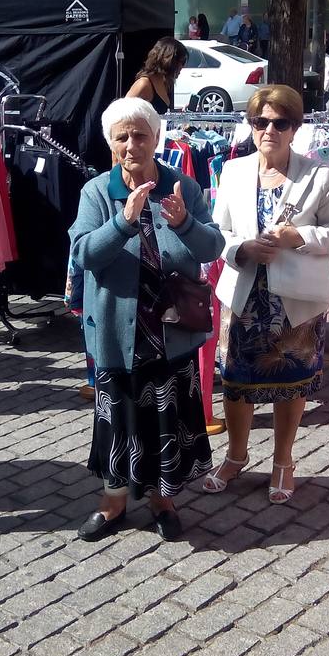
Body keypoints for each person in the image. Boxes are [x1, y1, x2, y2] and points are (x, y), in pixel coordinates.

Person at [68, 97, 223, 542]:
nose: (132, 144)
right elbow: (83, 256)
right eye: (122, 137)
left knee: (166, 418)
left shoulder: (182, 186)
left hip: (172, 330)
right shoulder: (98, 192)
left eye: (140, 135)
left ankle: (162, 498)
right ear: (111, 144)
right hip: (120, 331)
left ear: (157, 138)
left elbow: (210, 248)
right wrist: (122, 222)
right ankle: (113, 500)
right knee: (118, 419)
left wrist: (184, 223)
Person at [208, 86, 329, 503]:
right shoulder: (233, 171)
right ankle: (236, 456)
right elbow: (218, 230)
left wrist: (298, 237)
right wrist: (242, 249)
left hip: (297, 301)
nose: (269, 130)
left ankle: (283, 461)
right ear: (250, 126)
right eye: (260, 122)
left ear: (294, 127)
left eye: (280, 122)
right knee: (236, 382)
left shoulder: (318, 173)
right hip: (245, 296)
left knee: (293, 382)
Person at [127, 37, 187, 115]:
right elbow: (123, 114)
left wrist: (179, 112)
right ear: (170, 62)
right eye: (182, 62)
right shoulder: (144, 84)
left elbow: (161, 113)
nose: (182, 66)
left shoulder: (165, 82)